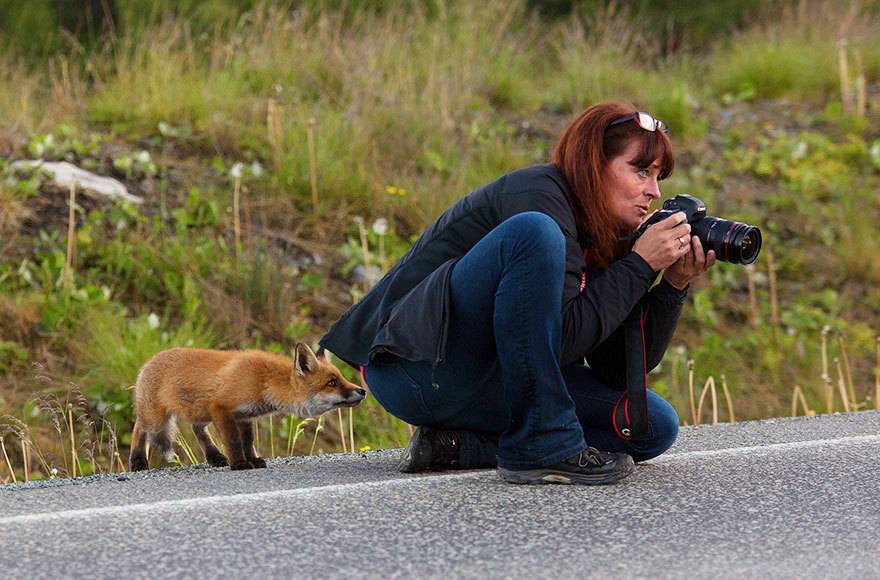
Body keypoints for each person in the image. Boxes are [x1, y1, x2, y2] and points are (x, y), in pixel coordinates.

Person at [319, 102, 716, 485]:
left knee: (648, 425)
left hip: (494, 379)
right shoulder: (537, 194)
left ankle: (457, 448)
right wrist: (639, 265)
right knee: (533, 231)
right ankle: (543, 446)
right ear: (594, 167)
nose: (653, 191)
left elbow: (615, 369)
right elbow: (558, 341)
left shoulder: (602, 230)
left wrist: (671, 285)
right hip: (416, 370)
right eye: (641, 171)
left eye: (658, 177)